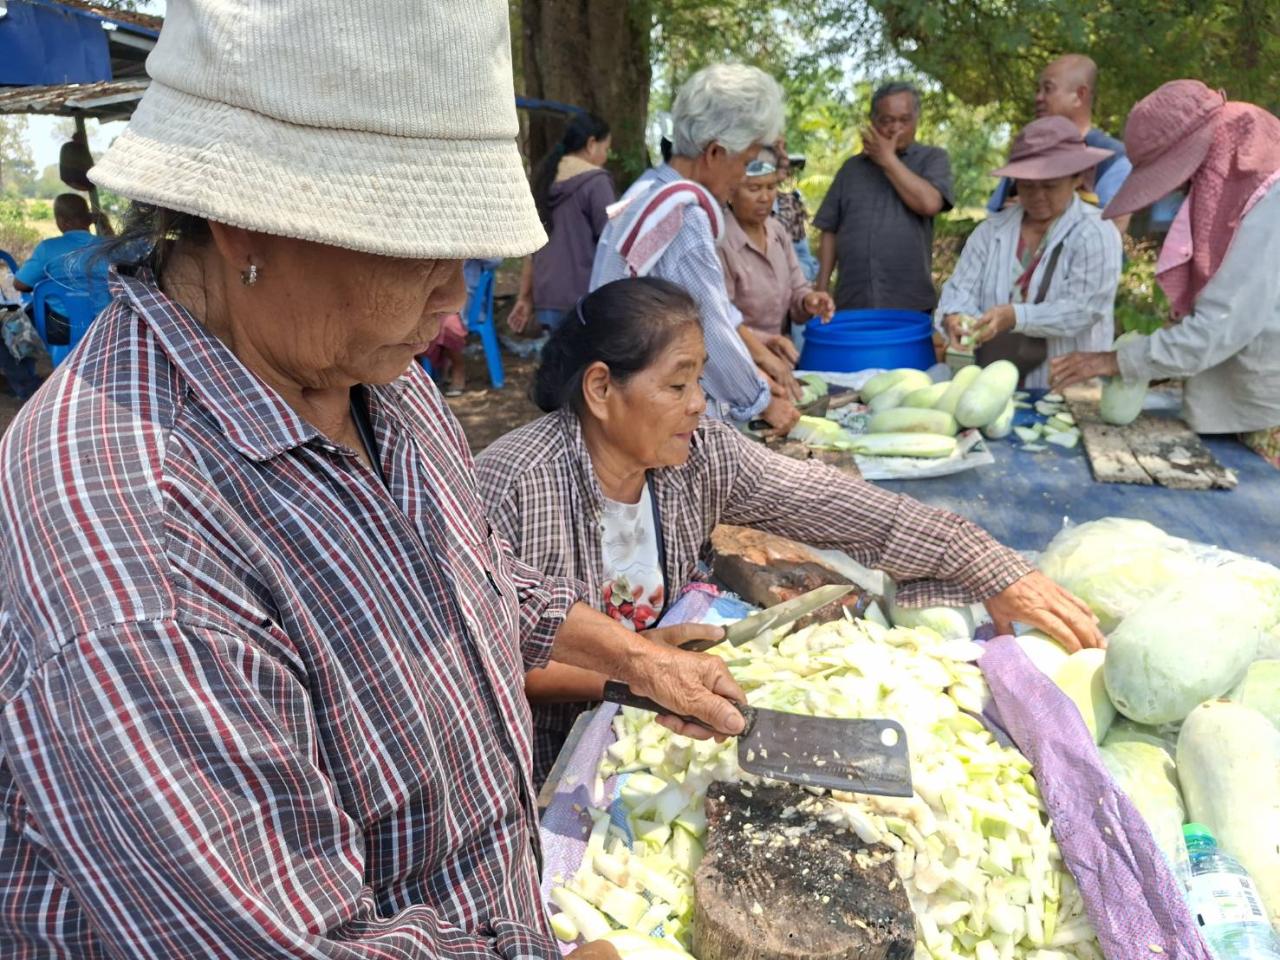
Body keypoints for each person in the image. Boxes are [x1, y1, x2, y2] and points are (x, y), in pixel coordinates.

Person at [0, 3, 748, 957]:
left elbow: (468, 576)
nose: (454, 297)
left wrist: (635, 659)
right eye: (419, 246)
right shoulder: (136, 538)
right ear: (242, 223)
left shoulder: (370, 370)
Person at [475, 277, 1106, 785]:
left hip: (649, 718)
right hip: (538, 756)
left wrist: (986, 564)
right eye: (677, 384)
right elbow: (485, 664)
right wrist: (639, 666)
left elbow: (839, 506)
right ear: (601, 388)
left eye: (699, 381)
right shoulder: (515, 484)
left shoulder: (700, 456)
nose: (699, 403)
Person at [1052, 80, 1280, 468]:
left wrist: (1117, 361)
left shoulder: (1266, 198)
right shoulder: (1238, 178)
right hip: (1241, 399)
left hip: (1266, 414)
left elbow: (1219, 328)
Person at [592, 63, 802, 435]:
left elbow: (711, 306)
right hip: (642, 405)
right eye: (744, 161)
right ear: (716, 153)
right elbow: (708, 326)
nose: (742, 175)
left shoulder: (650, 188)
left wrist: (756, 349)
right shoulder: (684, 217)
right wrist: (763, 403)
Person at [936, 116, 1122, 389]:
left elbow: (1083, 309)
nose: (1037, 195)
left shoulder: (1096, 232)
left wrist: (1015, 316)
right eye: (1027, 185)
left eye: (1049, 186)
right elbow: (959, 291)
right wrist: (956, 318)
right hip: (991, 385)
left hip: (1067, 386)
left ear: (1076, 178)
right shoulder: (991, 231)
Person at [814, 82, 954, 314]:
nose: (895, 129)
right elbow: (830, 230)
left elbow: (929, 203)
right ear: (873, 121)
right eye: (887, 121)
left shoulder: (932, 159)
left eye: (904, 120)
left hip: (909, 303)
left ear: (916, 119)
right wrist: (821, 287)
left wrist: (887, 159)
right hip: (853, 301)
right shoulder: (852, 169)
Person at [988, 55, 1133, 229]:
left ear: (1080, 95)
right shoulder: (1028, 150)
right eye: (1037, 90)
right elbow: (993, 215)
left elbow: (1112, 230)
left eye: (1048, 89)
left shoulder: (1115, 159)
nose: (1038, 98)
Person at [509, 112, 615, 333]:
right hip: (581, 297)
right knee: (582, 366)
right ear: (591, 144)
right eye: (606, 149)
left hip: (546, 294)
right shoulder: (596, 182)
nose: (605, 157)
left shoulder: (544, 179)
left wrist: (525, 297)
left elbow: (532, 249)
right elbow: (611, 241)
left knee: (558, 364)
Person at [720, 146, 834, 347]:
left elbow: (798, 288)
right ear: (730, 192)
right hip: (739, 361)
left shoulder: (777, 232)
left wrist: (809, 301)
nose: (765, 197)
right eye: (754, 189)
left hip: (782, 355)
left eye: (771, 187)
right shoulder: (721, 243)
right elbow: (720, 321)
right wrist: (765, 345)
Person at [13, 193, 111, 315]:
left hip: (62, 328)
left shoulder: (47, 248)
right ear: (89, 218)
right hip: (105, 323)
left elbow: (20, 284)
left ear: (62, 222)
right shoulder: (109, 246)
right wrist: (104, 222)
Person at [772, 142, 819, 282]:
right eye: (774, 147)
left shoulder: (790, 204)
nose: (784, 156)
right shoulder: (728, 209)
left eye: (784, 147)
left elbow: (806, 261)